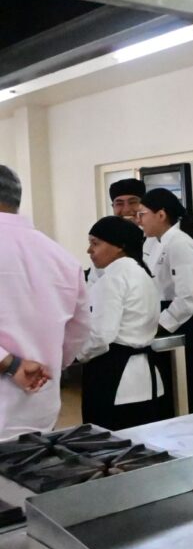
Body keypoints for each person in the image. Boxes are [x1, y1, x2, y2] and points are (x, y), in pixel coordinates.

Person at [0, 165, 91, 440]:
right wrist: (46, 366)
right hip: (38, 409)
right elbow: (78, 333)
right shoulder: (61, 257)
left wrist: (11, 364)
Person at [79, 216, 172, 430]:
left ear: (119, 246)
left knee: (108, 442)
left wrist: (75, 355)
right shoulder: (142, 274)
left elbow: (101, 336)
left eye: (95, 243)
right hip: (145, 377)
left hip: (114, 375)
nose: (89, 250)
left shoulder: (113, 279)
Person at [138, 188, 193, 413]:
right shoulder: (153, 242)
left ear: (161, 215)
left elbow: (188, 296)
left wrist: (160, 325)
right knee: (171, 395)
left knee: (192, 392)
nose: (138, 220)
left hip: (188, 323)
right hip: (168, 316)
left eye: (143, 214)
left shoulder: (180, 243)